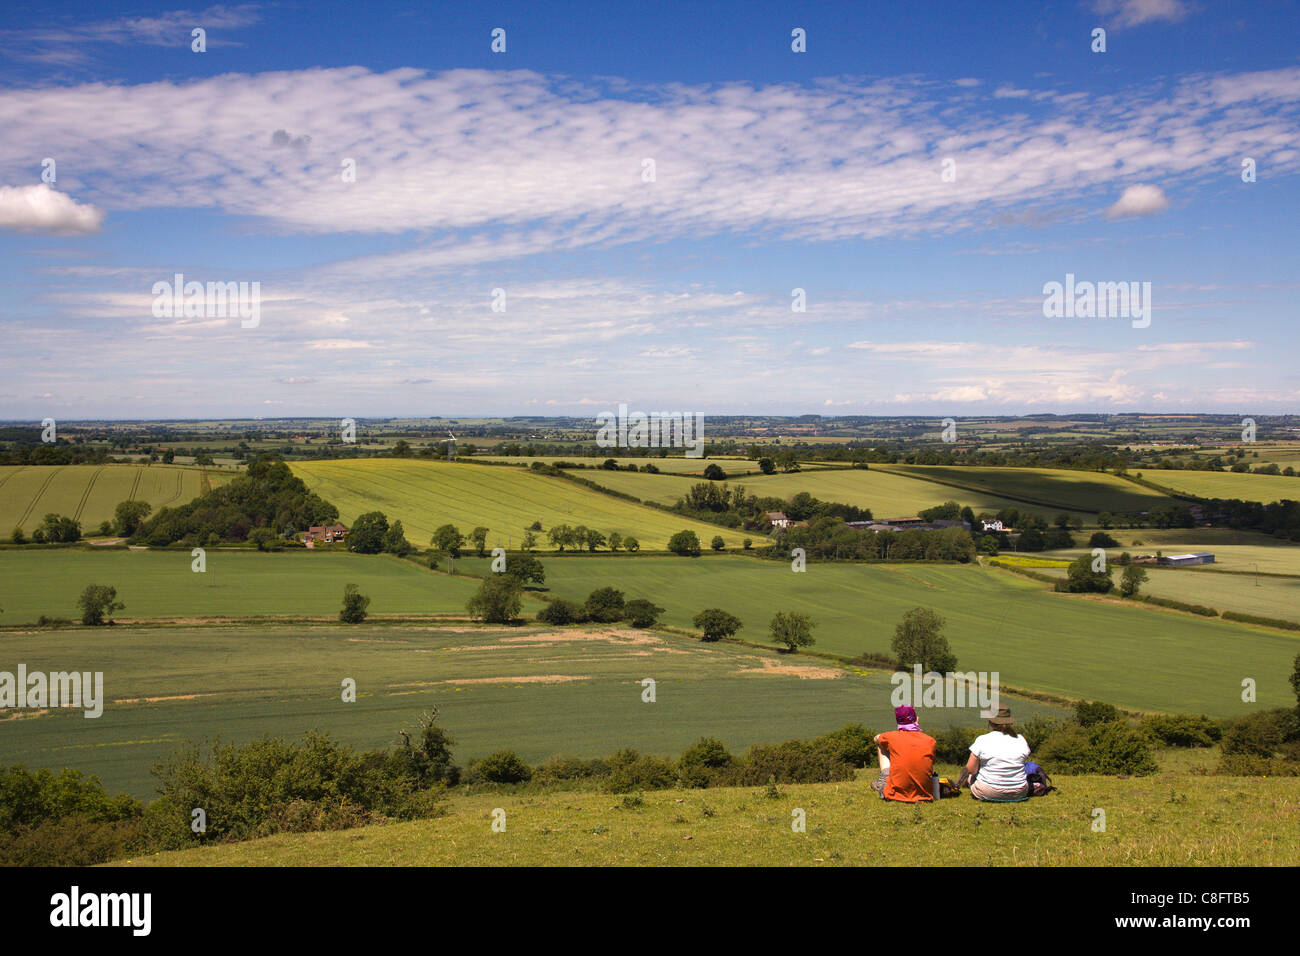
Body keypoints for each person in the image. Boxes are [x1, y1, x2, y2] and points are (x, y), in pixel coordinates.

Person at [962, 706, 1031, 801]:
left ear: (991, 722)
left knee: (971, 776)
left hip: (988, 792)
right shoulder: (1021, 739)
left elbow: (970, 769)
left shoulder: (982, 739)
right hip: (1020, 792)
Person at [871, 705, 937, 802]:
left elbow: (876, 738)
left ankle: (882, 780)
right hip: (923, 795)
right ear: (916, 719)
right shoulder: (930, 741)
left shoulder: (892, 737)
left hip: (894, 795)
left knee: (881, 744)